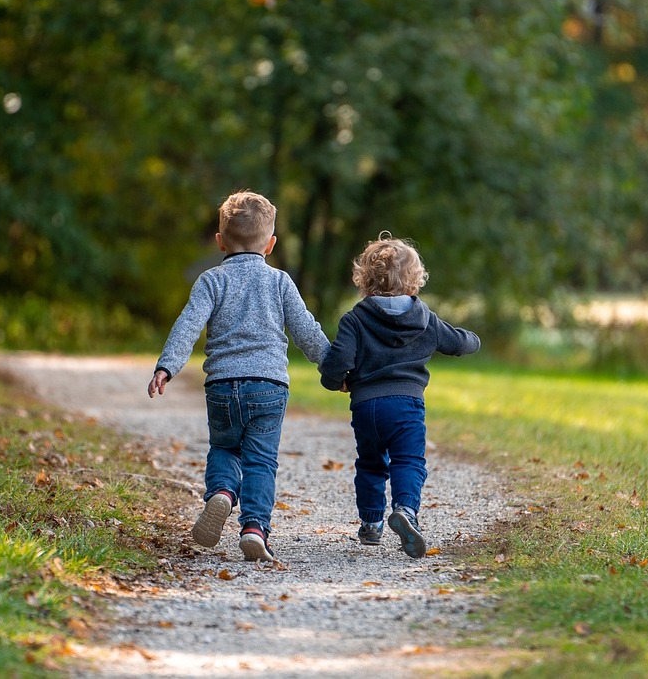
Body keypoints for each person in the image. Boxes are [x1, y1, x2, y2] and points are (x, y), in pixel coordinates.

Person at [148, 190, 329, 561]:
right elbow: (306, 330)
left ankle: (222, 492)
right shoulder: (280, 282)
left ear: (220, 241)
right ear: (271, 244)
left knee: (224, 448)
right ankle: (254, 528)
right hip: (269, 387)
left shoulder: (211, 281)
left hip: (222, 385)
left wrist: (167, 366)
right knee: (260, 461)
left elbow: (187, 325)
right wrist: (334, 367)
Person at [318, 233, 480, 559]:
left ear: (365, 279)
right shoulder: (425, 320)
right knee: (408, 460)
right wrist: (474, 340)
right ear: (414, 280)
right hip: (407, 406)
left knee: (370, 463)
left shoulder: (355, 319)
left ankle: (371, 523)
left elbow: (337, 362)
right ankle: (405, 510)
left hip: (366, 407)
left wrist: (336, 382)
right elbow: (458, 343)